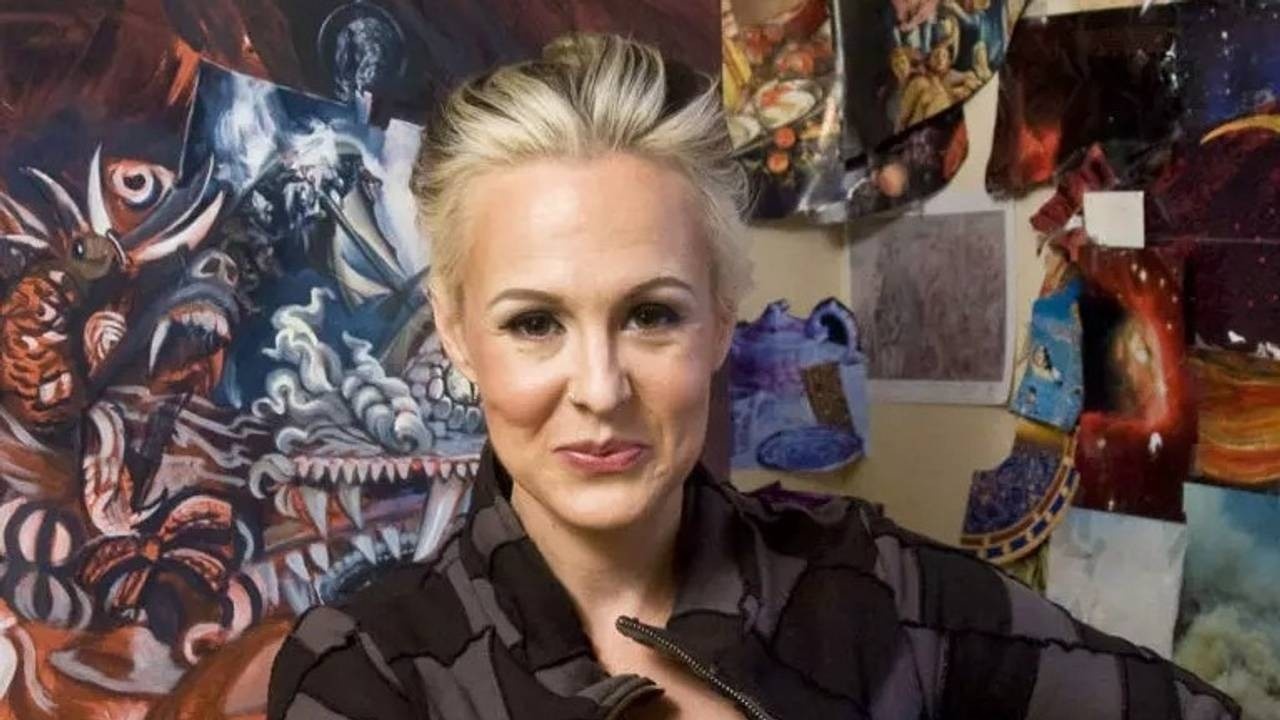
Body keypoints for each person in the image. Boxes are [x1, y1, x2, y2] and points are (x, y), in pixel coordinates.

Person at [267, 34, 1239, 719]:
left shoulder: (869, 583)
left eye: (651, 315)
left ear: (722, 319)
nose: (599, 387)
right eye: (534, 323)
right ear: (456, 333)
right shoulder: (368, 674)